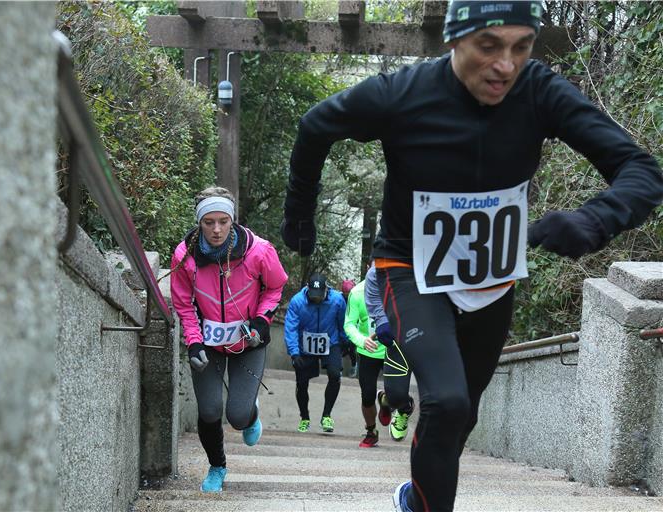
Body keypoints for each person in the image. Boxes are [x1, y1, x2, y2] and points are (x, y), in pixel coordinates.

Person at [280, 1, 663, 510]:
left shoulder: (539, 91)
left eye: (521, 47)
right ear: (455, 40)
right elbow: (314, 125)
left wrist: (594, 220)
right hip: (409, 268)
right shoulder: (402, 94)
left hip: (491, 281)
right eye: (489, 46)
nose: (505, 65)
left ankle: (417, 499)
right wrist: (299, 217)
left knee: (462, 414)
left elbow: (641, 170)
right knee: (446, 400)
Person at [170, 186, 288, 493]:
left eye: (223, 221)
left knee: (237, 416)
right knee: (209, 411)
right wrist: (193, 341)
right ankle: (217, 467)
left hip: (248, 341)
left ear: (232, 220)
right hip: (208, 342)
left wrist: (262, 321)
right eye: (209, 222)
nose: (217, 229)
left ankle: (251, 412)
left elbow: (276, 287)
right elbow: (183, 303)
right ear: (200, 223)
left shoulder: (259, 251)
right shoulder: (185, 257)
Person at [344, 265, 415, 447]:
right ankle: (371, 430)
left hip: (394, 348)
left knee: (397, 392)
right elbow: (349, 324)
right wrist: (361, 340)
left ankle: (399, 404)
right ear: (370, 268)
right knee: (367, 395)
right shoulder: (357, 292)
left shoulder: (398, 287)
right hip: (368, 350)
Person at [284, 272, 349, 433]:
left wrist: (346, 342)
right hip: (305, 343)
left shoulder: (337, 300)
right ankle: (304, 417)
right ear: (308, 289)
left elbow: (343, 322)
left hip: (330, 341)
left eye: (320, 296)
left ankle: (326, 415)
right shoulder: (297, 301)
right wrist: (294, 352)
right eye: (314, 296)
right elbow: (290, 328)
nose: (316, 299)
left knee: (335, 375)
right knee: (301, 382)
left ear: (327, 290)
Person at [340, 278, 359, 377]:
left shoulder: (356, 298)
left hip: (353, 327)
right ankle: (338, 368)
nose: (346, 296)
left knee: (352, 349)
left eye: (348, 294)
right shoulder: (339, 298)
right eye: (345, 294)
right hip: (341, 326)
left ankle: (354, 366)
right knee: (340, 348)